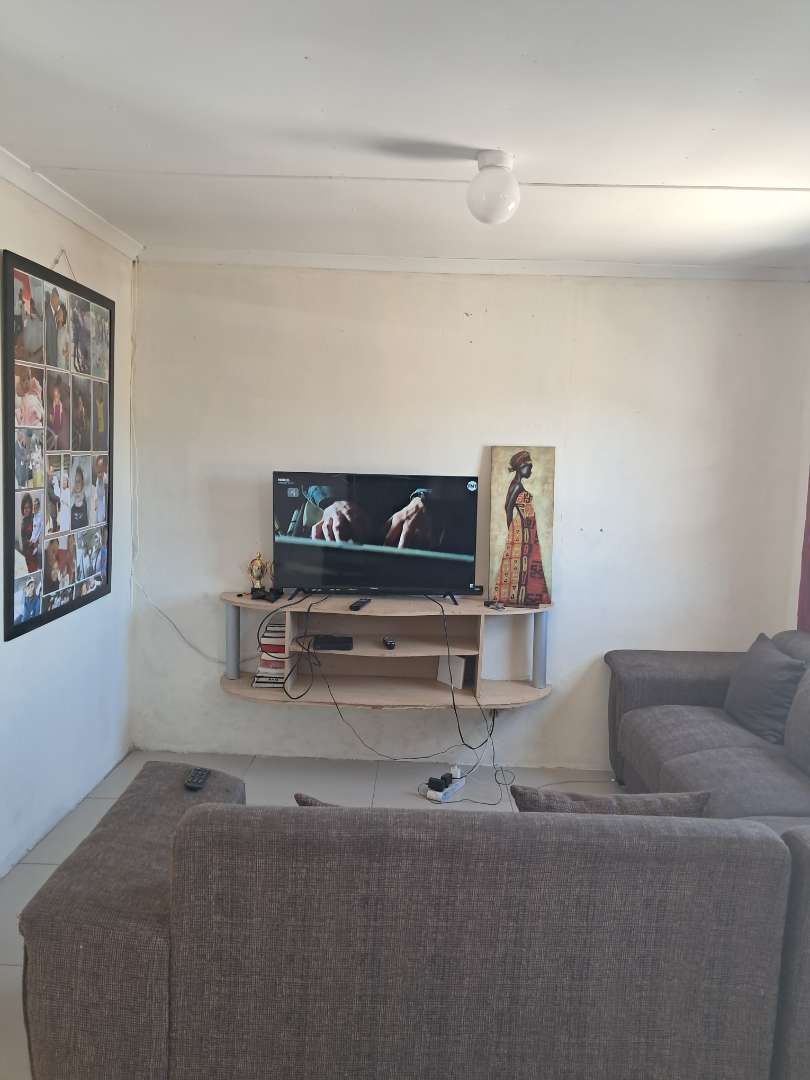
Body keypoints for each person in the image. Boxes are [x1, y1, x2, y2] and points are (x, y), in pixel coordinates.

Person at [493, 450, 550, 607]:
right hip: (522, 530)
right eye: (529, 467)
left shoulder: (518, 485)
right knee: (520, 564)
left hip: (527, 530)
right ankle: (515, 597)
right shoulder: (516, 485)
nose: (531, 470)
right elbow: (508, 507)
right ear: (521, 467)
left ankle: (527, 597)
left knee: (528, 564)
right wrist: (511, 529)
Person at [19, 493, 39, 572]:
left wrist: (35, 542)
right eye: (24, 508)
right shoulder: (23, 523)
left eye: (28, 507)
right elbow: (24, 541)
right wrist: (29, 542)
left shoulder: (34, 518)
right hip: (27, 555)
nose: (26, 510)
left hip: (34, 554)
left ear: (31, 508)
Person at [48, 379, 67, 450]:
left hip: (59, 432)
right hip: (53, 431)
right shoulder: (51, 406)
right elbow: (50, 418)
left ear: (59, 395)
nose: (56, 397)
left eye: (57, 395)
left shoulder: (62, 407)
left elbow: (62, 421)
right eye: (54, 395)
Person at [45, 287, 60, 367]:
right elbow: (48, 336)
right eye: (56, 299)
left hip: (55, 348)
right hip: (51, 351)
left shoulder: (54, 312)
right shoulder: (48, 312)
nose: (58, 303)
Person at [94, 457, 107, 523]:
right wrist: (95, 502)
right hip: (98, 503)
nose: (100, 467)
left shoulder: (106, 478)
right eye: (98, 465)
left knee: (101, 520)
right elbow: (96, 491)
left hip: (104, 503)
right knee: (97, 521)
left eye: (101, 465)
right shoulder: (97, 478)